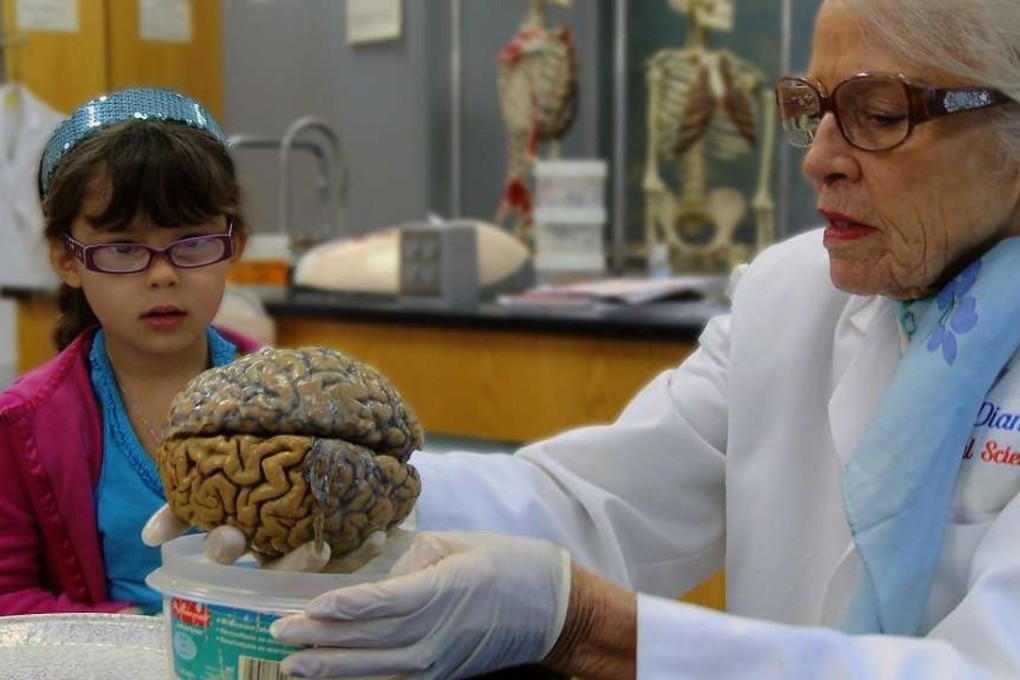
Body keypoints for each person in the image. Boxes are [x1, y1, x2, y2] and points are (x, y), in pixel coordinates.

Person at [144, 0, 1020, 676]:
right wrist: (340, 487)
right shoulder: (794, 298)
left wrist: (588, 623)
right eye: (813, 107)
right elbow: (597, 504)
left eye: (877, 111)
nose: (816, 158)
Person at [0, 87, 260, 615]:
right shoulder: (23, 425)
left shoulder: (290, 399)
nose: (162, 275)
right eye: (122, 248)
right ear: (66, 259)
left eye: (192, 242)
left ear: (234, 243)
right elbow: (8, 596)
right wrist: (138, 636)